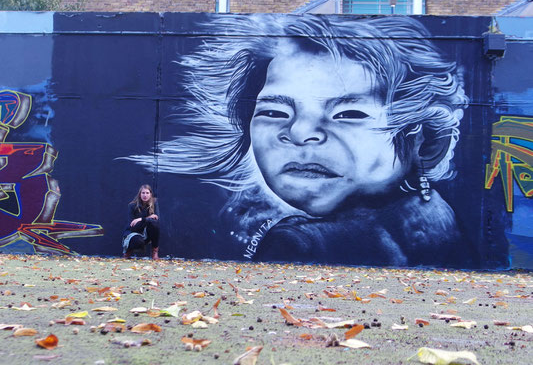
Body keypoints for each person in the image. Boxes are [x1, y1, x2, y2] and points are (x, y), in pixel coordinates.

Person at [127, 15, 470, 267]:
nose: (300, 132)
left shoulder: (297, 245)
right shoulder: (438, 215)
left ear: (426, 141)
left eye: (349, 113)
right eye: (275, 111)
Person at [123, 184, 160, 260]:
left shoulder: (154, 203)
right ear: (140, 194)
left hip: (146, 232)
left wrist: (141, 219)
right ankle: (128, 251)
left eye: (147, 193)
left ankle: (155, 252)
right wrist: (148, 218)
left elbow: (156, 219)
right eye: (143, 193)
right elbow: (133, 226)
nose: (145, 195)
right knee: (138, 241)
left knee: (155, 225)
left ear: (150, 194)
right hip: (134, 232)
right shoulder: (132, 205)